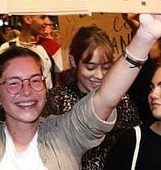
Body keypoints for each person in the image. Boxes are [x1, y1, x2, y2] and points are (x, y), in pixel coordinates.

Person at [0, 0, 161, 169]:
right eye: (13, 83)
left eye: (35, 80)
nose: (27, 91)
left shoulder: (65, 133)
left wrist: (145, 37)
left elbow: (106, 96)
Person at [44, 25, 141, 170]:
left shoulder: (122, 101)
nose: (99, 75)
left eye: (106, 67)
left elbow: (135, 146)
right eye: (90, 67)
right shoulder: (55, 99)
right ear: (73, 61)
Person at [0, 14, 63, 89]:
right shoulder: (6, 49)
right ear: (27, 19)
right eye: (42, 17)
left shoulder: (51, 47)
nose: (47, 22)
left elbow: (59, 81)